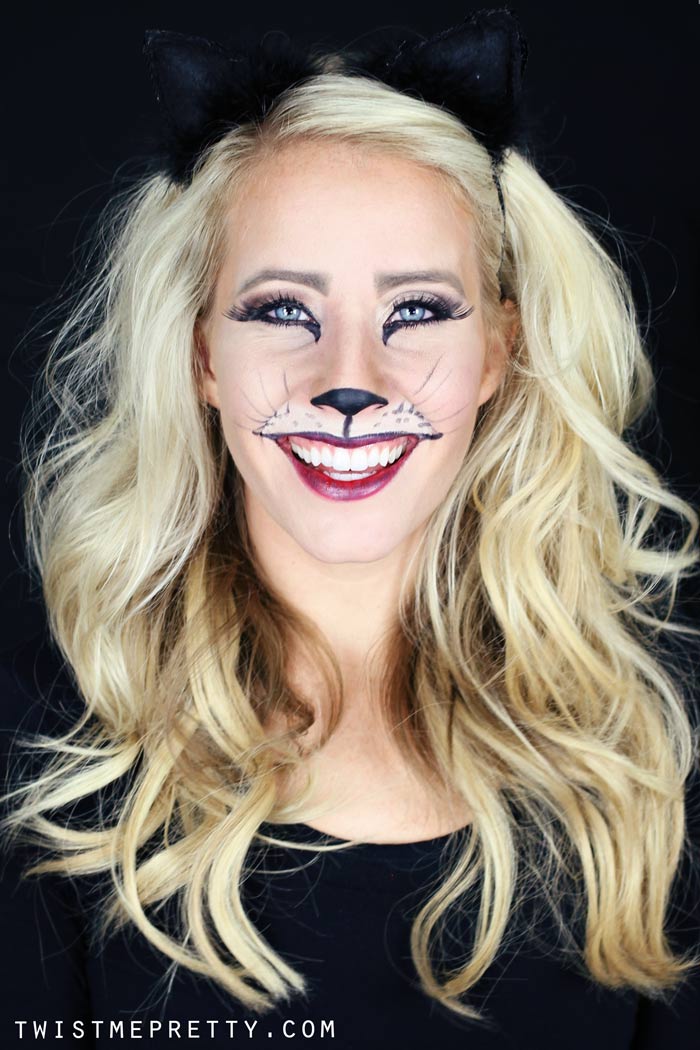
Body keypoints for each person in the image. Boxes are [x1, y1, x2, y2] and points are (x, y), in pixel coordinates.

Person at [1, 9, 699, 1048]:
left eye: (415, 312)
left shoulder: (644, 768)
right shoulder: (44, 768)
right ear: (201, 355)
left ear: (498, 352)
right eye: (283, 310)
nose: (348, 385)